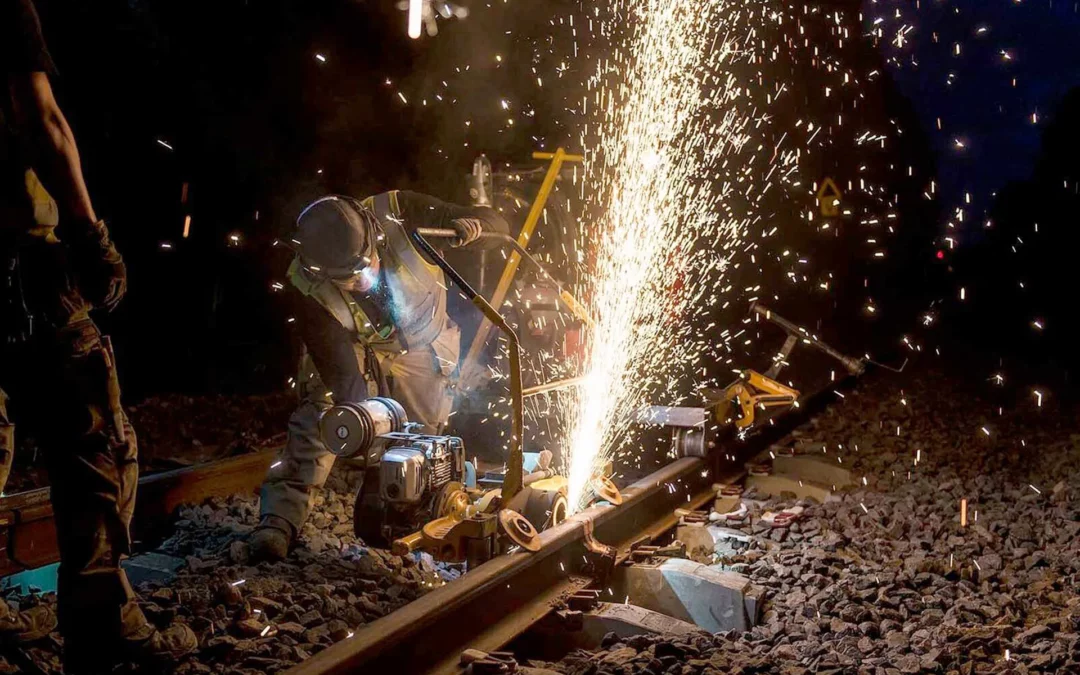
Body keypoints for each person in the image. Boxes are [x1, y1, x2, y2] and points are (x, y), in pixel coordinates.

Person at [0, 0, 196, 669]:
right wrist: (89, 237)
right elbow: (41, 118)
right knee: (95, 443)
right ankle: (101, 623)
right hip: (22, 266)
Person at [250, 190, 508, 561]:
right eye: (348, 278)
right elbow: (342, 374)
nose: (363, 280)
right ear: (321, 272)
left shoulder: (402, 212)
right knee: (326, 412)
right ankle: (279, 519)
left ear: (374, 235)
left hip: (425, 343)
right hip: (355, 344)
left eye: (365, 266)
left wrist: (477, 227)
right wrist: (363, 426)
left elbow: (499, 225)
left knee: (424, 441)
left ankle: (416, 519)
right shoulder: (306, 284)